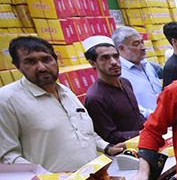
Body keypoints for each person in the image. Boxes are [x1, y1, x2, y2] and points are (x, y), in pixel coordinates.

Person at [0, 36, 125, 172]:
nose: (41, 67)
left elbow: (85, 132)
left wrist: (107, 147)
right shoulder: (7, 100)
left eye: (46, 59)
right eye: (30, 62)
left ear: (56, 60)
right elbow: (8, 158)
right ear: (18, 67)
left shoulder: (65, 92)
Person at [83, 38, 145, 144]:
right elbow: (110, 135)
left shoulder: (125, 83)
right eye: (105, 58)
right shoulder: (95, 97)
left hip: (144, 142)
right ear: (93, 63)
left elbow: (137, 117)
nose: (114, 62)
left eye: (116, 56)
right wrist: (143, 133)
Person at [113, 26, 163, 118]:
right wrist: (155, 116)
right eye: (136, 44)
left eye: (142, 43)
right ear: (122, 49)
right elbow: (130, 106)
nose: (143, 48)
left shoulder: (148, 65)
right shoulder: (119, 73)